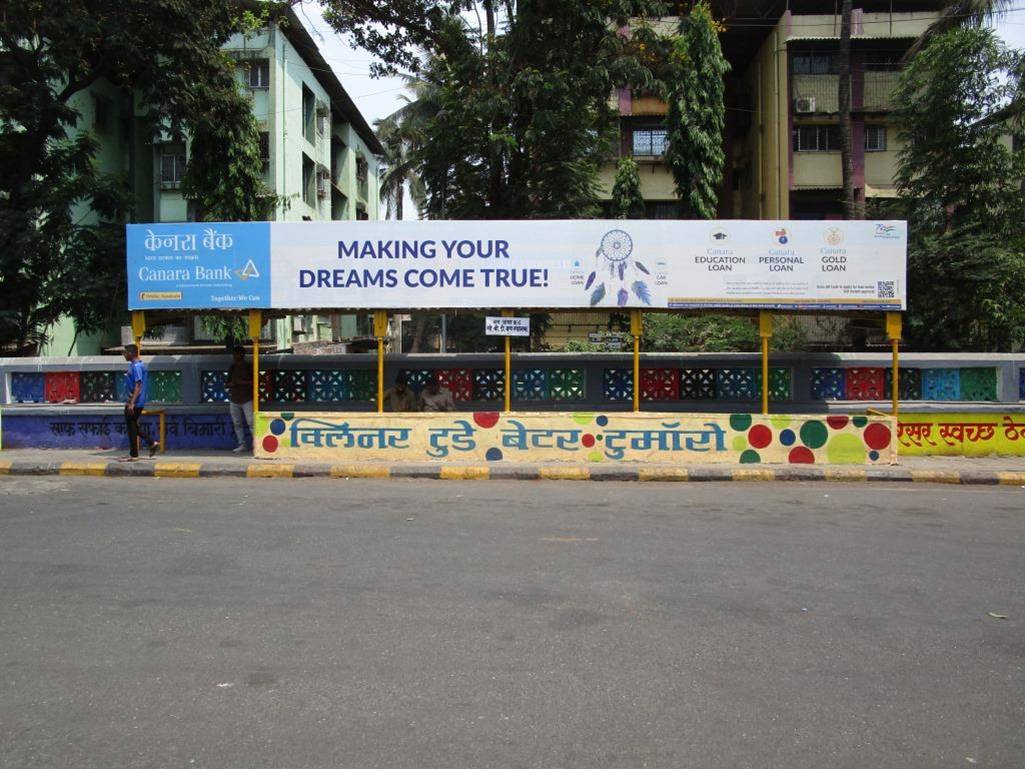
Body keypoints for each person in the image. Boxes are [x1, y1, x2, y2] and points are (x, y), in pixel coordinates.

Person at [121, 344, 158, 461]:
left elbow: (138, 385)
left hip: (135, 402)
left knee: (132, 427)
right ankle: (151, 443)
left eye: (125, 352)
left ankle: (134, 454)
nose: (124, 355)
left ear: (131, 353)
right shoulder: (134, 366)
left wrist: (132, 403)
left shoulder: (137, 366)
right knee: (133, 427)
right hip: (134, 401)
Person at [225, 345, 254, 452]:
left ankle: (256, 444)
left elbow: (254, 382)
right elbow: (227, 383)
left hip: (247, 398)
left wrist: (241, 382)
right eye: (234, 354)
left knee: (251, 423)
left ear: (243, 354)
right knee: (237, 423)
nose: (236, 356)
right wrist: (232, 384)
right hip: (234, 399)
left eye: (238, 354)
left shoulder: (248, 367)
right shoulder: (232, 367)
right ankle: (242, 444)